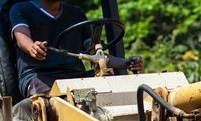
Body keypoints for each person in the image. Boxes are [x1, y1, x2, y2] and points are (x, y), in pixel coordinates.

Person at [9, 0, 141, 98]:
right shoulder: (20, 10)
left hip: (75, 76)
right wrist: (32, 47)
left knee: (112, 86)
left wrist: (127, 63)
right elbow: (22, 37)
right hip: (39, 76)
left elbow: (95, 53)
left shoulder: (76, 14)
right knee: (53, 101)